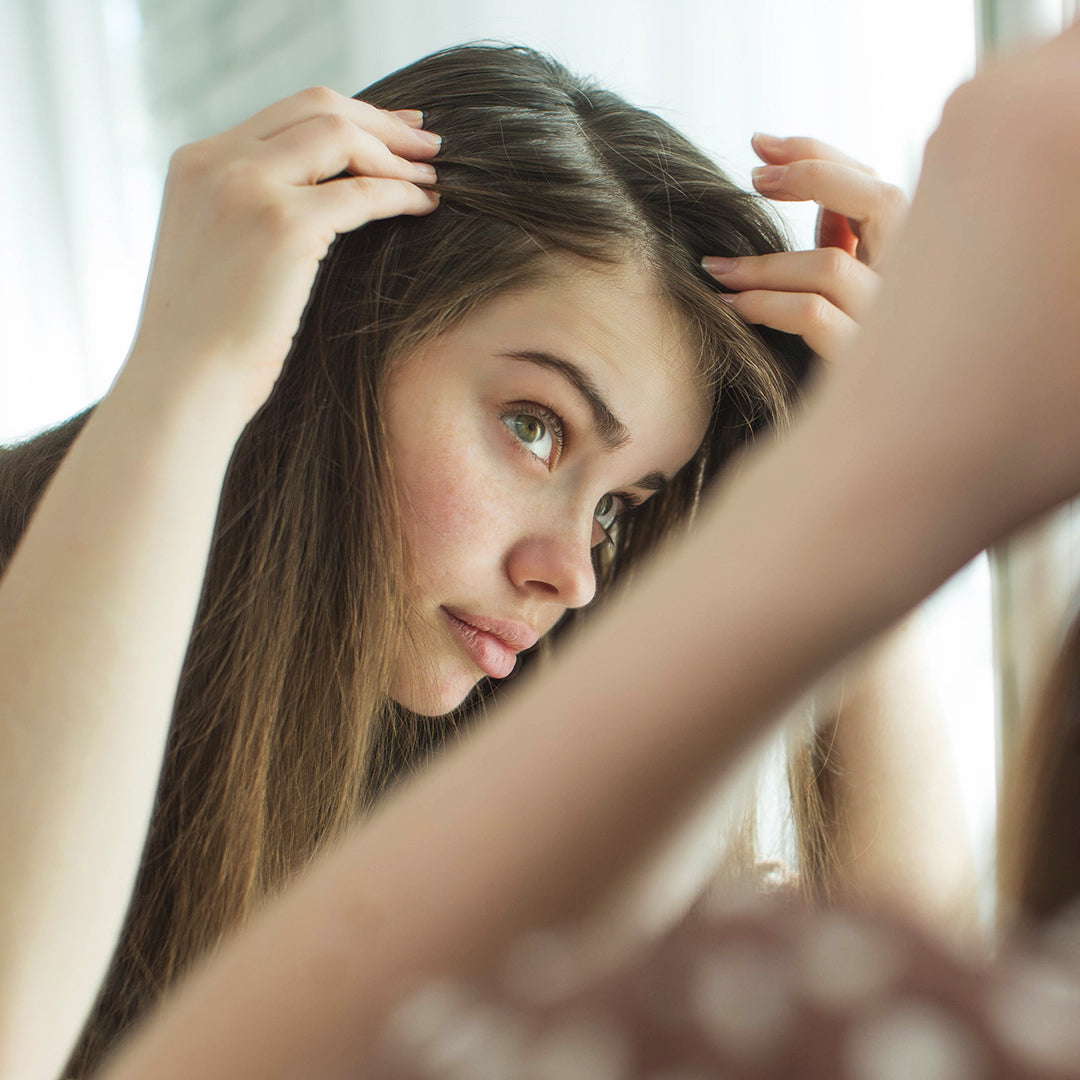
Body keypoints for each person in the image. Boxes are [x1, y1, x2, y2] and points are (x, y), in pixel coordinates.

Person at [0, 44, 970, 1080]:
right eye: (534, 427)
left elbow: (924, 1042)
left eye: (618, 508)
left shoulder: (499, 793)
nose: (574, 573)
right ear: (327, 329)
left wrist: (874, 489)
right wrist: (182, 378)